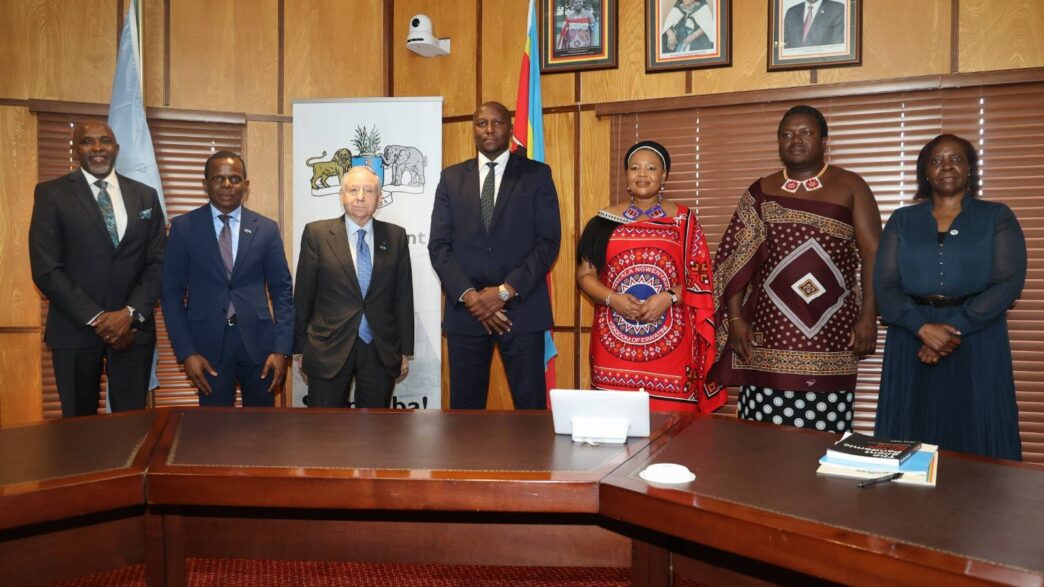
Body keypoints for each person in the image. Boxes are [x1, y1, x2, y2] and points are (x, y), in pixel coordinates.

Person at [713, 105, 880, 433]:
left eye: (806, 132)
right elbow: (734, 259)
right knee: (760, 443)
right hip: (767, 337)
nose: (796, 140)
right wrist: (735, 320)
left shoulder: (851, 186)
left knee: (822, 441)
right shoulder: (760, 191)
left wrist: (868, 317)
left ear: (824, 141)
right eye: (787, 134)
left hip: (833, 334)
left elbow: (874, 251)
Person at [874, 135, 1025, 460]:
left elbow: (1007, 283)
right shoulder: (902, 219)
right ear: (925, 172)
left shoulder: (997, 216)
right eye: (937, 160)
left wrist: (951, 329)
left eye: (956, 158)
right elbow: (884, 286)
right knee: (909, 441)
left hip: (977, 336)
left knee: (979, 435)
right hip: (910, 338)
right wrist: (923, 330)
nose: (947, 166)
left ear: (969, 168)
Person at [429, 101, 561, 410]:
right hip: (467, 313)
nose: (489, 129)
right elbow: (439, 245)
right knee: (464, 413)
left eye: (497, 122)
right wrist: (472, 297)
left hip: (522, 310)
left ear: (510, 127)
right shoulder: (451, 178)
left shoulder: (536, 175)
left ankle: (533, 461)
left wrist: (504, 292)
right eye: (481, 123)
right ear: (473, 129)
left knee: (530, 412)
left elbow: (548, 243)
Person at [29, 121, 167, 417]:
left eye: (104, 141)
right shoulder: (51, 194)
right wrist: (98, 318)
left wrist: (128, 314)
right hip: (74, 330)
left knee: (131, 427)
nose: (97, 148)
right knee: (78, 430)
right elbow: (45, 268)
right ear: (75, 149)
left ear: (115, 148)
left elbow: (158, 262)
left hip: (133, 332)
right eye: (87, 141)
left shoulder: (145, 196)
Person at [577, 141, 722, 412]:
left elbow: (701, 277)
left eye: (651, 168)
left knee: (675, 431)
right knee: (614, 424)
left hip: (673, 348)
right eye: (635, 168)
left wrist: (668, 297)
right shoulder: (602, 221)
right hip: (614, 347)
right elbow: (585, 275)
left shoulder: (684, 220)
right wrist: (612, 299)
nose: (642, 174)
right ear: (627, 175)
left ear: (664, 175)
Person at [161, 151, 293, 407]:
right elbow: (171, 295)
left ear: (246, 185)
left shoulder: (266, 228)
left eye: (235, 178)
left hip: (260, 348)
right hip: (206, 348)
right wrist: (187, 353)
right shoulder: (183, 227)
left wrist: (281, 349)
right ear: (205, 184)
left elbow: (283, 292)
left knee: (263, 432)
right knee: (214, 434)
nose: (227, 185)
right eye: (218, 179)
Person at [294, 166, 413, 408]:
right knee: (325, 432)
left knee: (375, 433)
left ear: (379, 199)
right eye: (353, 189)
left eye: (368, 190)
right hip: (328, 348)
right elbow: (303, 295)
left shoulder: (395, 236)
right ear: (341, 195)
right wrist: (299, 349)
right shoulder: (316, 234)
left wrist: (404, 350)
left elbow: (403, 296)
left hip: (379, 348)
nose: (360, 196)